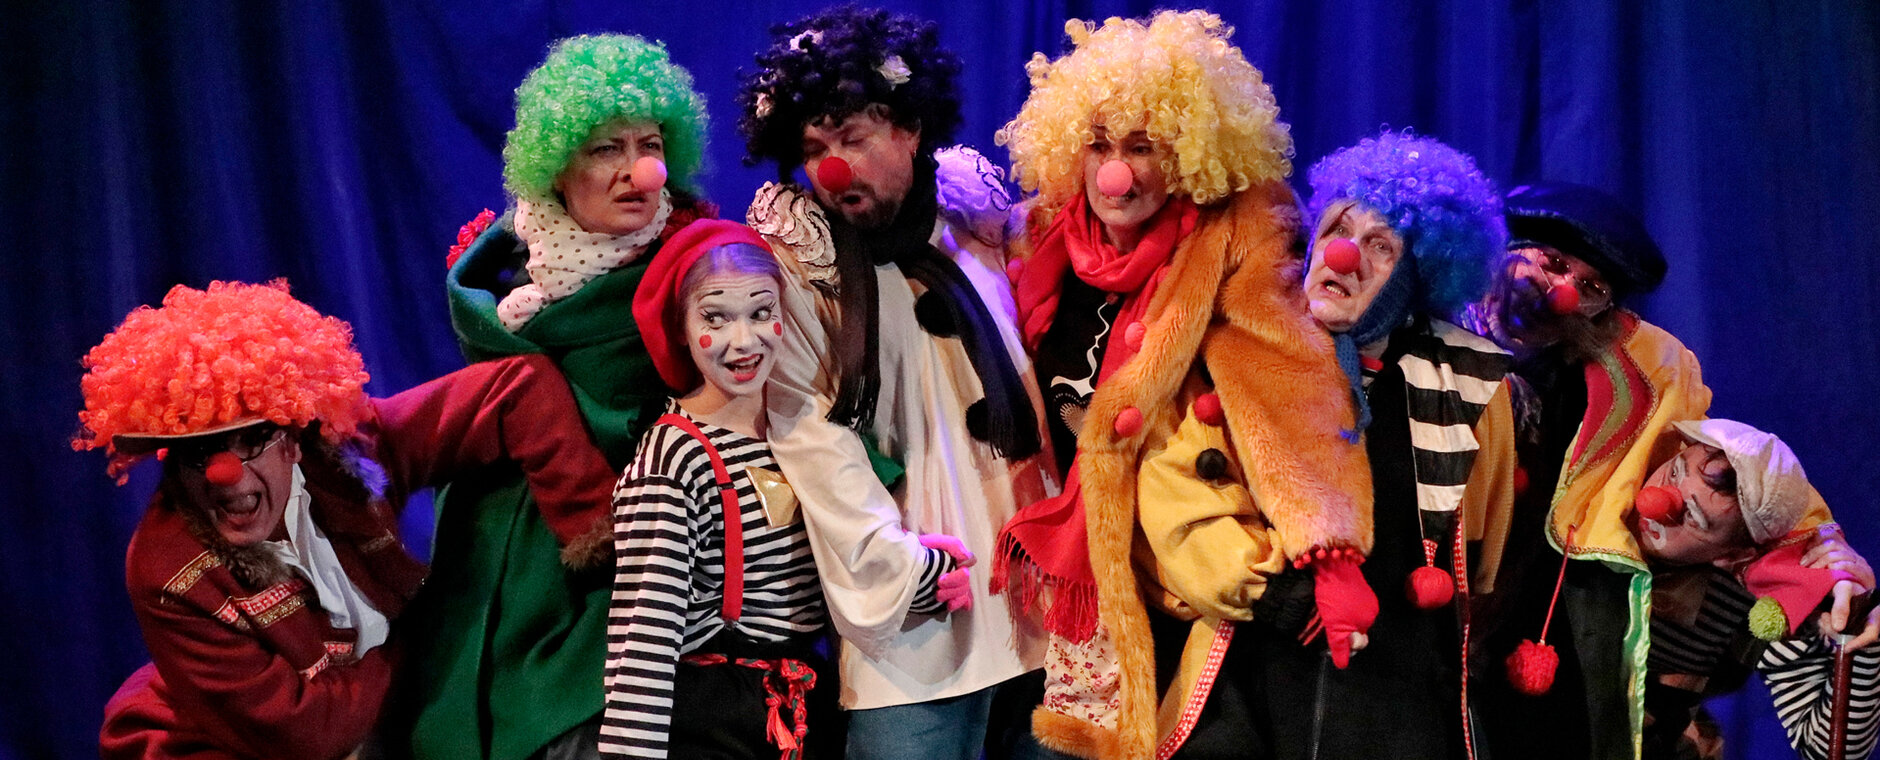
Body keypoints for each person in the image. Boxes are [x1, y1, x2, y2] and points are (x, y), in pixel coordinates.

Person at [991, 12, 1374, 759]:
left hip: (1179, 572)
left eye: (1143, 147)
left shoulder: (1235, 238)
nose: (1116, 173)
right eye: (1098, 145)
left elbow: (1289, 386)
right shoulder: (1041, 236)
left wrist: (1327, 547)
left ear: (1190, 151)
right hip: (1057, 572)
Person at [82, 280, 616, 760]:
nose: (228, 476)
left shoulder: (347, 456)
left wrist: (598, 536)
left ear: (293, 439)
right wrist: (416, 637)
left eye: (253, 439)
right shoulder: (166, 571)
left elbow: (515, 389)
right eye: (199, 453)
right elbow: (308, 736)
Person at [734, 7, 1059, 759]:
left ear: (911, 129)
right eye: (813, 149)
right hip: (924, 625)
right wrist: (899, 565)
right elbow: (810, 435)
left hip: (1042, 606)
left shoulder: (972, 225)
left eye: (852, 139)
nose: (832, 169)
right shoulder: (800, 270)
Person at [1464, 182, 1874, 759]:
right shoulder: (1427, 331)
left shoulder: (1719, 592)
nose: (1561, 292)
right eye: (1552, 262)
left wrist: (1837, 575)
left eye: (1591, 288)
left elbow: (1772, 500)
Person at [404, 33, 719, 760]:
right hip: (482, 570)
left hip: (614, 589)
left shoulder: (703, 276)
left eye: (649, 145)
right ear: (556, 168)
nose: (638, 171)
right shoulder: (502, 281)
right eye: (607, 148)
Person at [1239, 131, 1516, 759]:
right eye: (1339, 229)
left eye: (1380, 246)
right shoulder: (1246, 349)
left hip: (1397, 689)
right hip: (1263, 668)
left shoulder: (1469, 382)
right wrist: (1277, 597)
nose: (1345, 255)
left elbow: (1485, 546)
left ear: (1413, 278)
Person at [599, 220, 834, 759]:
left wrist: (924, 575)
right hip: (721, 719)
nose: (744, 341)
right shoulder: (675, 457)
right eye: (715, 318)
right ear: (681, 328)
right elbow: (644, 642)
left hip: (804, 706)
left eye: (761, 312)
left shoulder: (798, 429)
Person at [1620, 419, 1878, 760]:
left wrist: (1861, 630)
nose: (1657, 503)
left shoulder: (1750, 600)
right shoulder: (1607, 486)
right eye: (1674, 472)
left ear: (1733, 556)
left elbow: (1830, 750)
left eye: (1693, 517)